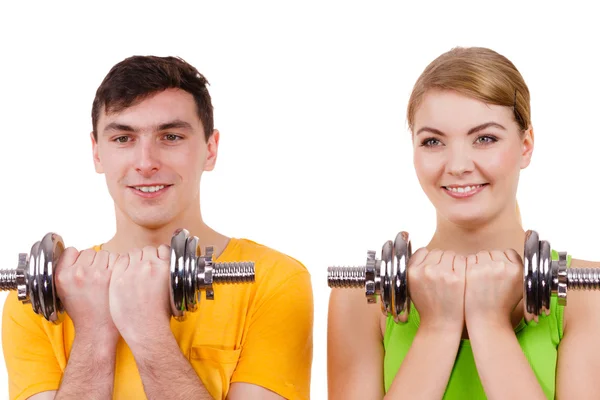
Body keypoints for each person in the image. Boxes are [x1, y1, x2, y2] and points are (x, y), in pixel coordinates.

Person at [2, 55, 314, 400]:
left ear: (210, 149)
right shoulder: (38, 299)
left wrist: (147, 330)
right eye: (123, 139)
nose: (146, 162)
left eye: (171, 136)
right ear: (97, 153)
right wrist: (93, 331)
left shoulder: (272, 280)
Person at [327, 46, 600, 399]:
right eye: (433, 141)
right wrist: (438, 328)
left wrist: (489, 323)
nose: (457, 165)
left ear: (526, 145)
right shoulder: (357, 302)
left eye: (485, 138)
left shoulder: (590, 297)